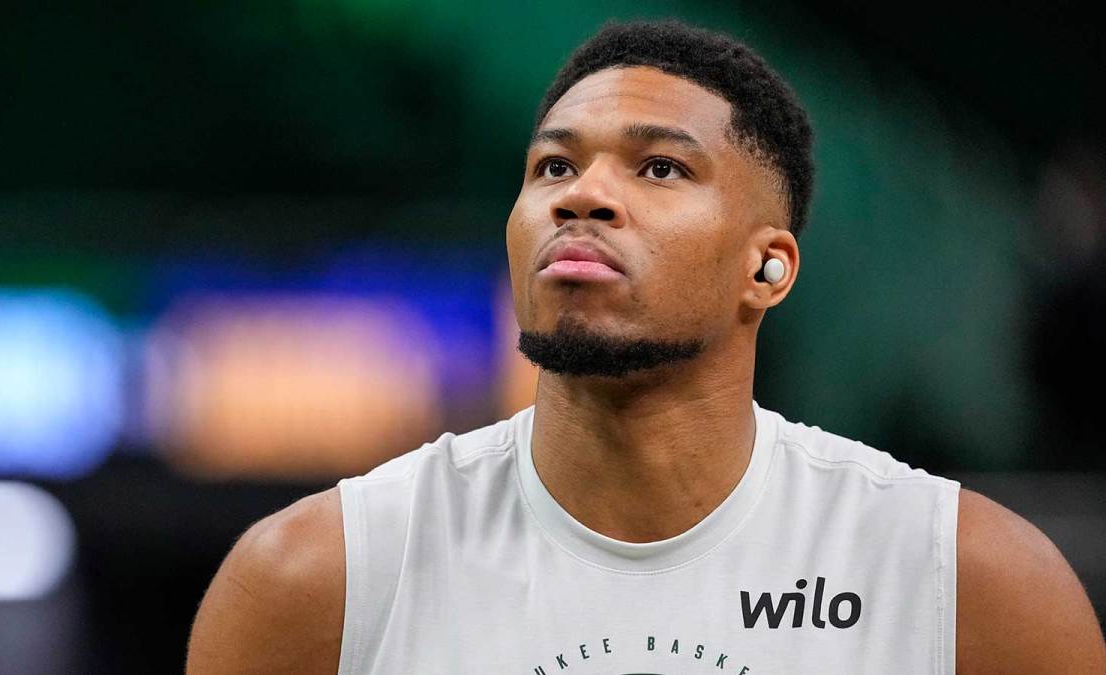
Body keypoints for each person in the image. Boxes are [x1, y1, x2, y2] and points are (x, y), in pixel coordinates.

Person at [185, 19, 1106, 674]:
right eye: (553, 164)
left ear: (770, 268)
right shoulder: (311, 582)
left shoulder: (971, 585)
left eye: (659, 166)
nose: (581, 196)